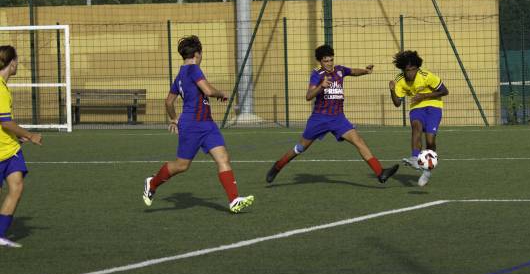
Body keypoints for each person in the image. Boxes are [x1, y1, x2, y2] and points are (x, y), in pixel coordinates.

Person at [143, 36, 254, 213]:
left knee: (223, 158)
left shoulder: (180, 74)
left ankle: (233, 200)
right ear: (197, 54)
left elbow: (169, 102)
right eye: (201, 54)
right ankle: (152, 182)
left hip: (207, 124)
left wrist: (173, 119)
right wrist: (221, 94)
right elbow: (208, 90)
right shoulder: (194, 69)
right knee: (182, 165)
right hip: (193, 125)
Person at [266, 44, 399, 184]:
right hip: (319, 119)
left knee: (358, 141)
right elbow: (308, 96)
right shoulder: (317, 75)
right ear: (320, 61)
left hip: (338, 118)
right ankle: (278, 166)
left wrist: (366, 71)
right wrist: (320, 87)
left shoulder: (340, 70)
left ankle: (380, 172)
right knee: (300, 148)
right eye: (326, 61)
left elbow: (353, 71)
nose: (329, 63)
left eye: (331, 60)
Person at [0, 46, 43, 248]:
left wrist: (18, 137)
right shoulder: (0, 88)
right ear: (12, 63)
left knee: (16, 187)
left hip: (11, 148)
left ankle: (0, 234)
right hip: (1, 150)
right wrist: (30, 135)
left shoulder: (4, 86)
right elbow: (5, 122)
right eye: (17, 59)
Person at [389, 50, 448, 187]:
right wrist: (392, 90)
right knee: (416, 127)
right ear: (403, 69)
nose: (411, 73)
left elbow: (445, 91)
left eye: (413, 69)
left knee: (430, 141)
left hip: (434, 106)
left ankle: (427, 172)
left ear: (417, 68)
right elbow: (397, 103)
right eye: (408, 70)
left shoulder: (426, 76)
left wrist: (424, 96)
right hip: (416, 107)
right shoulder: (400, 80)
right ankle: (415, 157)